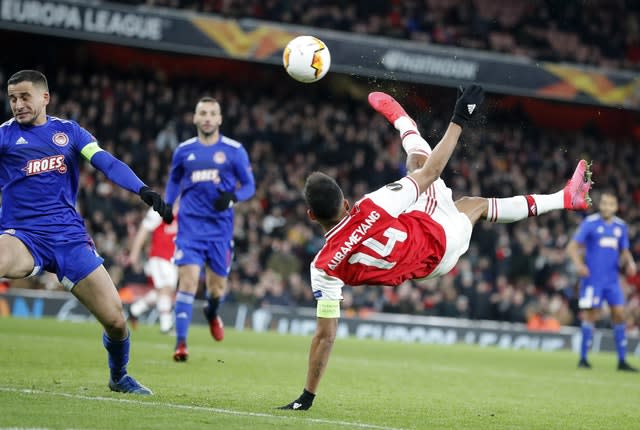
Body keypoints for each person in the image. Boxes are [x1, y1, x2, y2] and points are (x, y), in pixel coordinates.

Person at [279, 85, 593, 410]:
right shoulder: (371, 206)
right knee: (443, 181)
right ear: (346, 203)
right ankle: (405, 122)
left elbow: (325, 336)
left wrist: (307, 396)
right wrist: (459, 118)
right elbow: (432, 173)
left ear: (311, 215)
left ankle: (404, 122)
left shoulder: (323, 266)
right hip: (438, 238)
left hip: (425, 259)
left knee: (447, 185)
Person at [1, 70, 173, 394]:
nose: (18, 104)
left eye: (25, 97)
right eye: (12, 99)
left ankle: (119, 376)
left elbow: (106, 163)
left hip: (69, 240)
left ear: (44, 98)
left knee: (116, 321)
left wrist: (143, 190)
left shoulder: (68, 132)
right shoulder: (4, 136)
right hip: (21, 236)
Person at [165, 96, 255, 361]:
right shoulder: (183, 150)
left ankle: (212, 312)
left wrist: (233, 197)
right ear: (194, 118)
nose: (206, 117)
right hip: (190, 228)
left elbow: (249, 186)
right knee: (188, 282)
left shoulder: (234, 150)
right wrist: (169, 205)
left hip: (220, 232)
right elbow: (174, 180)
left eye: (211, 113)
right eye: (202, 113)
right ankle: (181, 344)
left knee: (216, 290)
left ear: (219, 119)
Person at [566, 191, 638, 371]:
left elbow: (624, 250)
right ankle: (583, 359)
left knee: (620, 315)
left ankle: (622, 361)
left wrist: (630, 263)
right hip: (592, 280)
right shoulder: (590, 223)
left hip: (612, 282)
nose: (607, 207)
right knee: (591, 316)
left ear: (616, 206)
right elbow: (572, 247)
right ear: (600, 205)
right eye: (604, 203)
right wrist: (578, 265)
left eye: (610, 204)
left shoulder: (620, 227)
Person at [127, 207, 178, 334]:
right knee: (166, 288)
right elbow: (144, 229)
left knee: (163, 291)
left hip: (173, 258)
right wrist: (134, 253)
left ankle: (135, 309)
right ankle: (166, 325)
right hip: (159, 256)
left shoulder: (186, 208)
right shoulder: (160, 207)